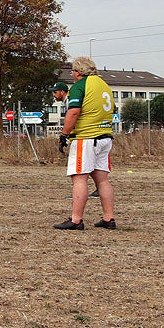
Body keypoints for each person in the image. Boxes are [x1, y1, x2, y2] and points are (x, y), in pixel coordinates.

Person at [54, 56, 116, 231]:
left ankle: (76, 220)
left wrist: (64, 134)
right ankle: (108, 218)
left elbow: (73, 112)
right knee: (102, 180)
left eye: (72, 70)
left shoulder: (80, 86)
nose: (72, 74)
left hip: (86, 138)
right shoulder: (104, 85)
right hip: (105, 137)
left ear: (79, 72)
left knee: (79, 178)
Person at [52, 81, 99, 200]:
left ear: (62, 92)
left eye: (55, 92)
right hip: (92, 137)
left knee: (78, 171)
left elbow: (74, 118)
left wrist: (65, 136)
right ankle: (99, 188)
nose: (53, 94)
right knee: (93, 166)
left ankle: (78, 194)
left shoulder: (70, 101)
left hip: (84, 138)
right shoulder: (67, 102)